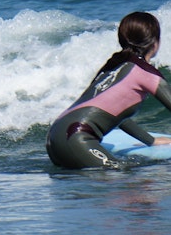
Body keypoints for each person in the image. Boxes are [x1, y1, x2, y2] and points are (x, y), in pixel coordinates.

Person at [46, 11, 171, 169]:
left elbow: (117, 116)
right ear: (155, 43)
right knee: (122, 172)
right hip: (75, 137)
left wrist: (150, 141)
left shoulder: (112, 67)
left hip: (55, 137)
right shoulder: (145, 73)